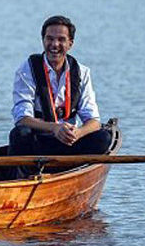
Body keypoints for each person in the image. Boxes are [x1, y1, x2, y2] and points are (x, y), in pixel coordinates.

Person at [9, 15, 111, 167]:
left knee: (104, 137)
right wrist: (55, 128)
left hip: (69, 142)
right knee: (19, 134)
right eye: (49, 39)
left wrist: (78, 133)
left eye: (61, 40)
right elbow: (22, 118)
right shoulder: (27, 70)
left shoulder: (82, 72)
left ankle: (70, 169)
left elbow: (94, 121)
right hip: (39, 142)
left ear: (70, 44)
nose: (54, 44)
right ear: (43, 41)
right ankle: (28, 174)